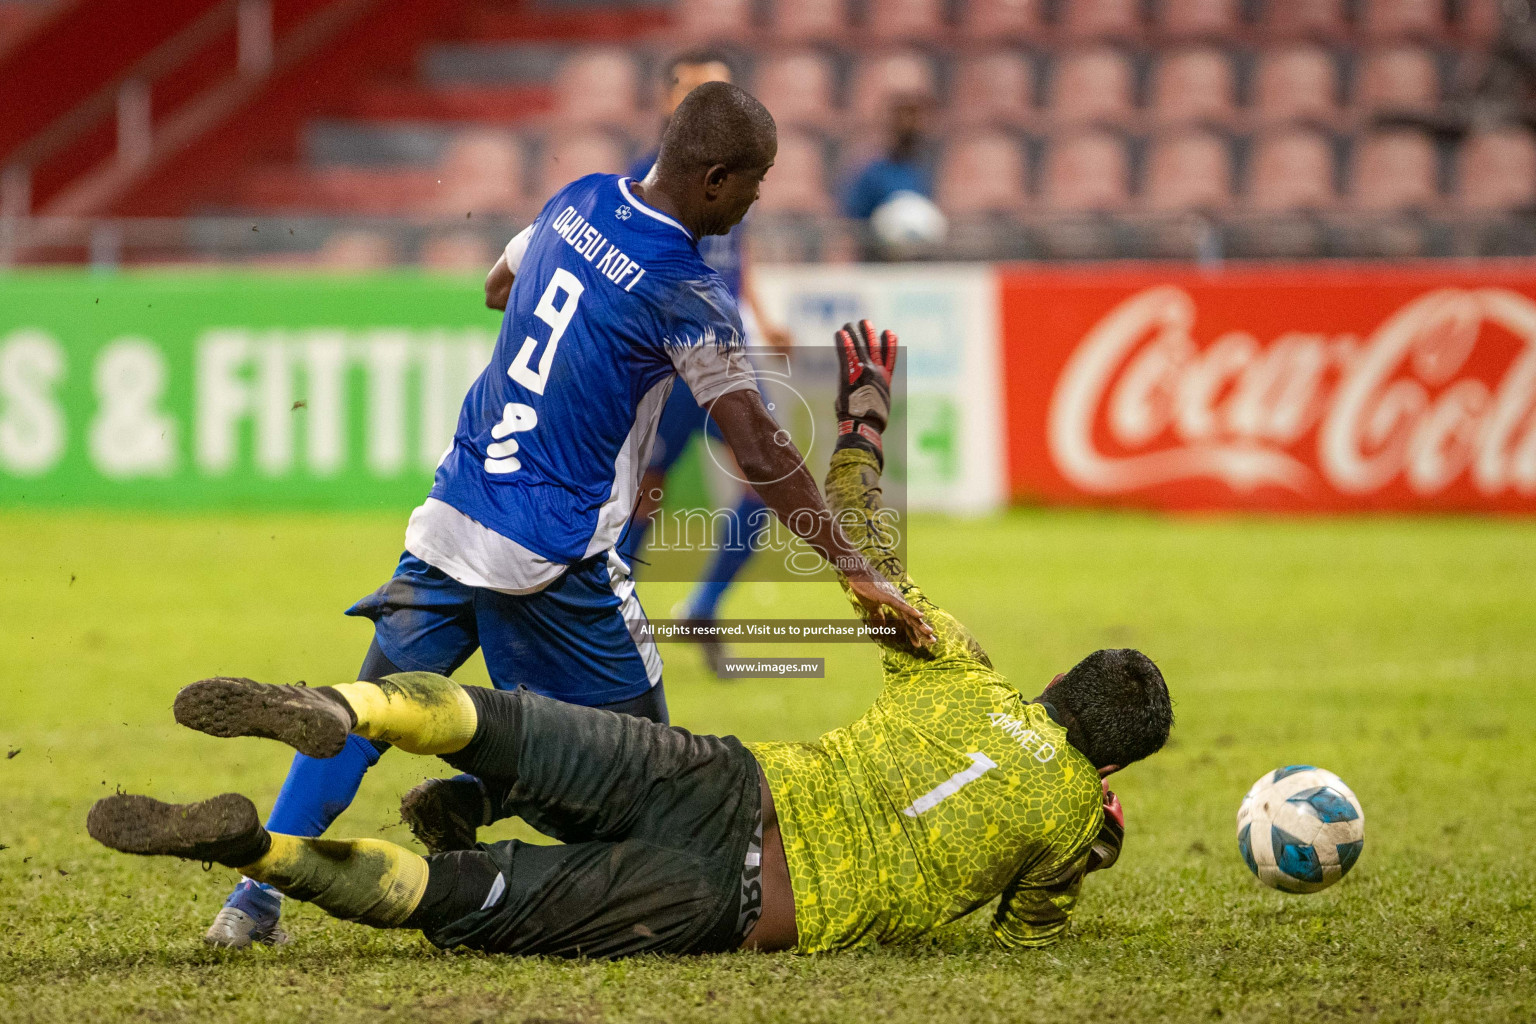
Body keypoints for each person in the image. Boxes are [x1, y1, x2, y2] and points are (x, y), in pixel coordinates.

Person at [97, 321, 1169, 958]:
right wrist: (1087, 836)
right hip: (735, 907)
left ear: (1055, 682)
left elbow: (870, 555)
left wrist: (866, 421)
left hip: (726, 785)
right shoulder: (1073, 823)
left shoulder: (964, 678)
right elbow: (1027, 933)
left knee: (506, 723)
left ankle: (346, 709)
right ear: (1112, 762)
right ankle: (257, 850)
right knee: (461, 898)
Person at [203, 82, 930, 948]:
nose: (758, 198)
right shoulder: (686, 293)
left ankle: (253, 903)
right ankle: (487, 822)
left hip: (455, 512)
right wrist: (856, 567)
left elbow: (496, 285)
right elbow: (763, 449)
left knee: (366, 715)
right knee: (648, 773)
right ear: (715, 179)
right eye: (755, 182)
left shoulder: (579, 197)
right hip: (555, 552)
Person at [624, 50, 793, 673]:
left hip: (726, 353)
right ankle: (613, 619)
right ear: (670, 101)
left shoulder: (733, 175)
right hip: (666, 363)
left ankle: (703, 607)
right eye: (700, 92)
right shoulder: (644, 181)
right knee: (644, 498)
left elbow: (728, 261)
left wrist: (764, 314)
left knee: (771, 480)